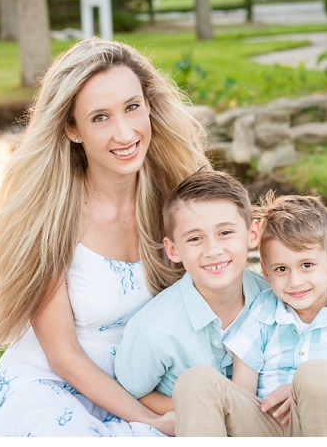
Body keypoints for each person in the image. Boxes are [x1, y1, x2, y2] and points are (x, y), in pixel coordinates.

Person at [0, 37, 209, 437]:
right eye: (100, 118)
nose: (124, 133)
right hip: (56, 389)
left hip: (147, 382)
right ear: (72, 128)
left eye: (132, 107)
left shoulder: (178, 199)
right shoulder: (50, 215)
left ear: (149, 105)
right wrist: (151, 420)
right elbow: (63, 355)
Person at [173, 192, 327, 437]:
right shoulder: (260, 312)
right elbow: (243, 395)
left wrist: (302, 393)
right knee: (196, 380)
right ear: (265, 270)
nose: (295, 281)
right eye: (282, 269)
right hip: (269, 425)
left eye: (307, 265)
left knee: (316, 374)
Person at [113, 170, 270, 416]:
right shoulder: (153, 330)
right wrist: (205, 410)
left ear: (252, 234)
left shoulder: (274, 300)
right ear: (173, 250)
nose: (213, 250)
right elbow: (133, 393)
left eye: (225, 232)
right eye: (195, 238)